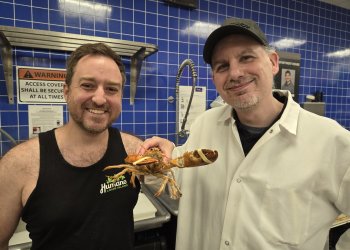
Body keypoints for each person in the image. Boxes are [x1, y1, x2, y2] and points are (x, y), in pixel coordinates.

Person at [140, 18, 350, 249]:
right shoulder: (205, 125)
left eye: (246, 58)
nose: (235, 73)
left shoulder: (331, 141)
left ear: (273, 62)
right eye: (222, 66)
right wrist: (162, 164)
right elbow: (178, 182)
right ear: (214, 79)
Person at [0, 43, 143, 250]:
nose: (100, 98)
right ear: (66, 91)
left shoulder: (134, 150)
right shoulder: (18, 163)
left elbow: (175, 180)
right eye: (87, 85)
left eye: (111, 89)